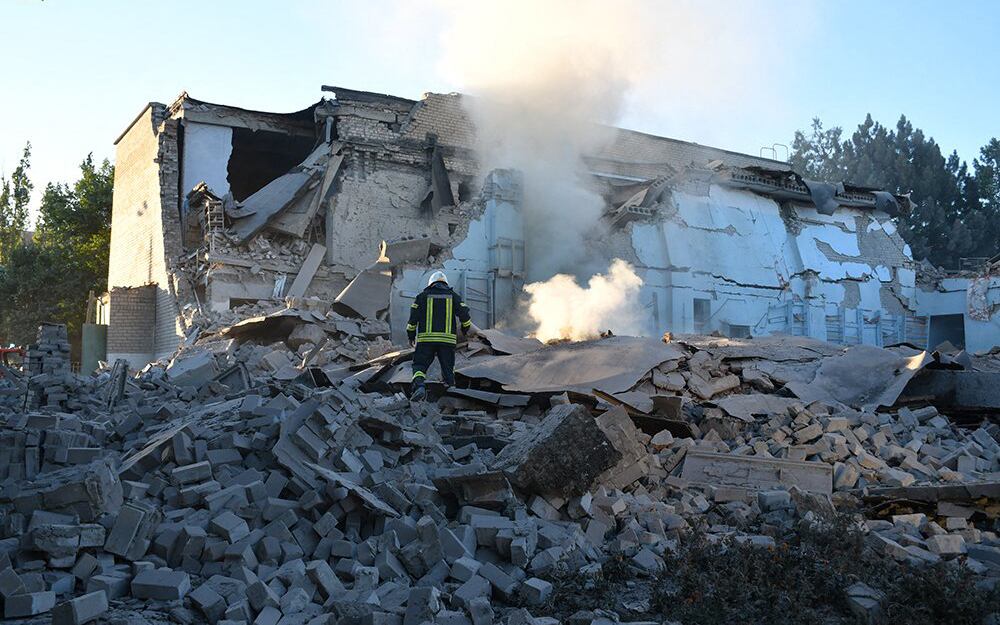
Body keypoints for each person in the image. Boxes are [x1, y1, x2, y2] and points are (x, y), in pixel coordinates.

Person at [406, 271, 477, 401]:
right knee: (448, 368)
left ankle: (419, 386)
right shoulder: (453, 296)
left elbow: (412, 320)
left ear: (430, 283)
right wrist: (465, 329)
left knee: (419, 366)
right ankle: (449, 394)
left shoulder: (421, 297)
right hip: (447, 341)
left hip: (425, 341)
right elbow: (465, 315)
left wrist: (411, 336)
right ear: (445, 283)